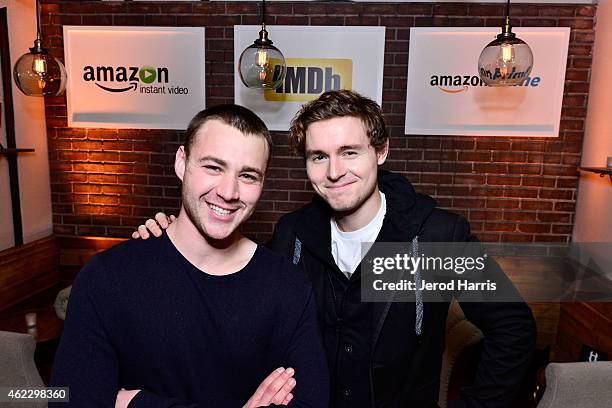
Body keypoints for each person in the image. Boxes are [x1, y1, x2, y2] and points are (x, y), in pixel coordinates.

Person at [136, 90, 536, 407]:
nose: (334, 171)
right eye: (318, 157)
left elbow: (514, 329)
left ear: (380, 152)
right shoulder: (293, 235)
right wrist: (175, 242)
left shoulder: (433, 236)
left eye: (349, 152)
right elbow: (240, 305)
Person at [50, 105, 329, 408]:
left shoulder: (287, 287)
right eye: (213, 167)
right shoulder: (108, 277)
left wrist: (141, 404)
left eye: (248, 175)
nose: (229, 191)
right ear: (182, 163)